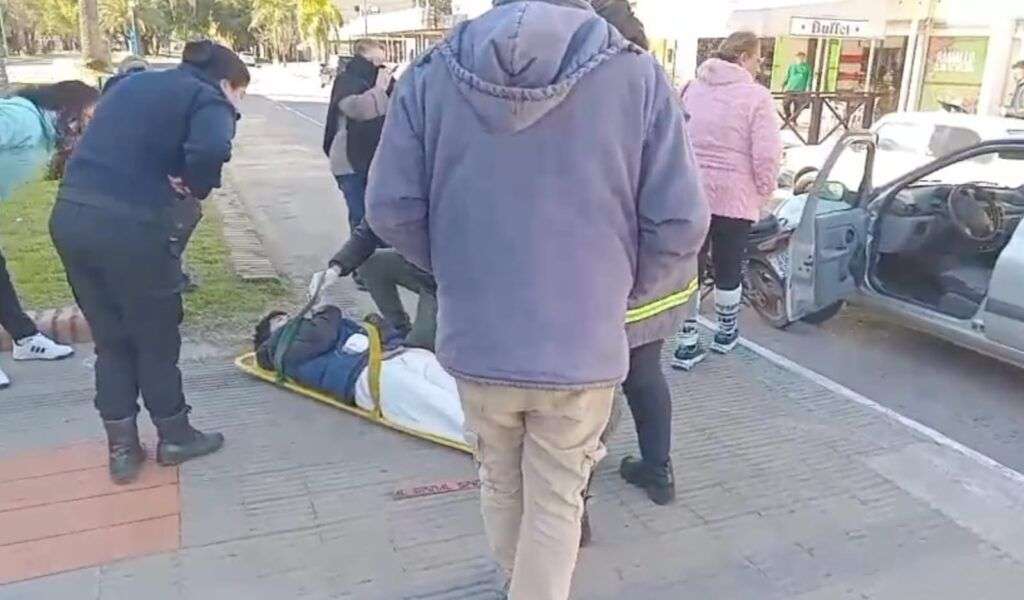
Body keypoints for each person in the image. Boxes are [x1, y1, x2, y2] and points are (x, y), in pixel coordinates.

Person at [364, 1, 709, 598]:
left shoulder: (430, 71)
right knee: (557, 497)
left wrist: (458, 272)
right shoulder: (635, 74)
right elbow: (681, 222)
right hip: (582, 344)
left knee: (499, 481)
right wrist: (619, 291)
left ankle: (513, 586)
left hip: (478, 339)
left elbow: (389, 209)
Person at [49, 40, 248, 484]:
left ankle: (122, 448)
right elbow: (211, 148)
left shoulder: (130, 85)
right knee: (154, 337)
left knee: (110, 338)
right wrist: (195, 185)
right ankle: (175, 436)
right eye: (241, 93)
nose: (239, 103)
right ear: (226, 84)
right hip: (131, 227)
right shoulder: (207, 98)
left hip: (71, 218)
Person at [587, 0, 701, 506]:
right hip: (657, 272)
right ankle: (658, 470)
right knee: (643, 372)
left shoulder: (593, 93)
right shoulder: (659, 89)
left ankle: (574, 500)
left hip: (606, 271)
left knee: (586, 391)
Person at [673, 32, 783, 370]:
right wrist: (764, 190)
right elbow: (767, 153)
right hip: (735, 197)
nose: (760, 65)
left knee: (688, 268)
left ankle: (686, 341)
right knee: (728, 265)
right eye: (758, 57)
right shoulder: (756, 97)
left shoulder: (691, 88)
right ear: (745, 57)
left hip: (690, 191)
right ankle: (725, 332)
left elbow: (674, 135)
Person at [0, 81, 98, 388]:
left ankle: (26, 339)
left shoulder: (43, 135)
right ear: (68, 107)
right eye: (89, 114)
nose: (89, 123)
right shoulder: (22, 117)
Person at [253, 306, 463, 443]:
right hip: (367, 375)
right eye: (278, 320)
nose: (288, 317)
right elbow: (320, 336)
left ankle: (484, 418)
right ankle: (479, 435)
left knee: (454, 383)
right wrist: (327, 309)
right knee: (433, 402)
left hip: (396, 355)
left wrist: (382, 329)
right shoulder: (283, 350)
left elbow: (371, 336)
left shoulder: (326, 325)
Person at [313, 218, 438, 350]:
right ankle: (399, 329)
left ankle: (428, 338)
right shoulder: (388, 206)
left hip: (447, 282)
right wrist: (335, 269)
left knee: (420, 346)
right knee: (372, 263)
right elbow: (368, 232)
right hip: (423, 268)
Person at [323, 39, 393, 233]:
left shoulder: (385, 79)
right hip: (349, 161)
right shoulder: (347, 80)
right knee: (361, 218)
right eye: (377, 59)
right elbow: (358, 109)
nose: (381, 65)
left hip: (377, 160)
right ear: (365, 55)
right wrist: (379, 90)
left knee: (380, 218)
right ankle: (361, 251)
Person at [782, 51, 812, 122]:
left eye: (802, 57)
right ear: (796, 58)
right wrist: (783, 84)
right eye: (799, 57)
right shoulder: (792, 66)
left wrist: (808, 87)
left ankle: (793, 119)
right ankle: (788, 116)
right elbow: (788, 75)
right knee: (785, 104)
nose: (800, 59)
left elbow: (809, 78)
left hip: (800, 89)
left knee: (798, 106)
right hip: (790, 88)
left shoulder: (807, 67)